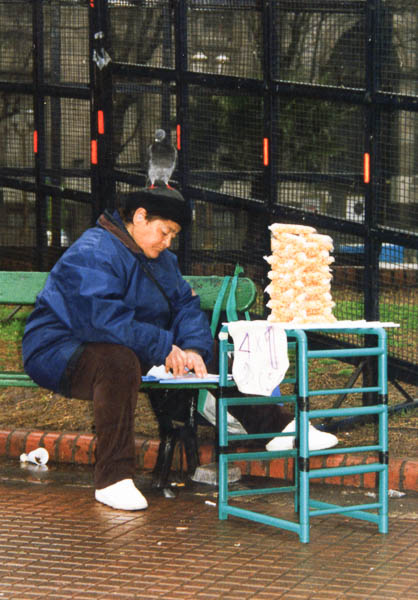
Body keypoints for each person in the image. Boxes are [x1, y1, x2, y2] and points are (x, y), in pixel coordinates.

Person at [23, 185, 213, 511]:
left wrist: (193, 348)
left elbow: (186, 305)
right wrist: (161, 345)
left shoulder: (163, 261)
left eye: (173, 235)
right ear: (140, 217)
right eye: (165, 231)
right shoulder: (94, 250)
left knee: (220, 356)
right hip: (57, 348)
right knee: (118, 363)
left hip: (125, 345)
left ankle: (280, 426)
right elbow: (99, 319)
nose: (168, 242)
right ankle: (113, 479)